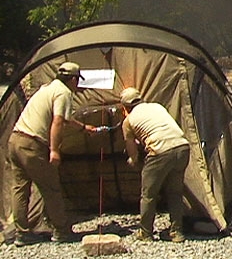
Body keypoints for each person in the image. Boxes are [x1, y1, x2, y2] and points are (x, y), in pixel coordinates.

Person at [9, 61, 98, 247]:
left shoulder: (47, 88)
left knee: (20, 189)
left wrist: (83, 127)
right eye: (77, 81)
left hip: (16, 139)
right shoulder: (63, 93)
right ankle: (61, 231)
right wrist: (54, 150)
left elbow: (65, 119)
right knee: (51, 188)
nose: (78, 85)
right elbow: (57, 122)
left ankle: (22, 233)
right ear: (73, 79)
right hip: (33, 145)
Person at [120, 87, 190, 243]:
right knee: (175, 193)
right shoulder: (157, 106)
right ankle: (177, 232)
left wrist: (133, 159)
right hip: (182, 147)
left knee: (148, 195)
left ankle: (146, 233)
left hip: (160, 152)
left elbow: (132, 150)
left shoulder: (128, 121)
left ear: (125, 107)